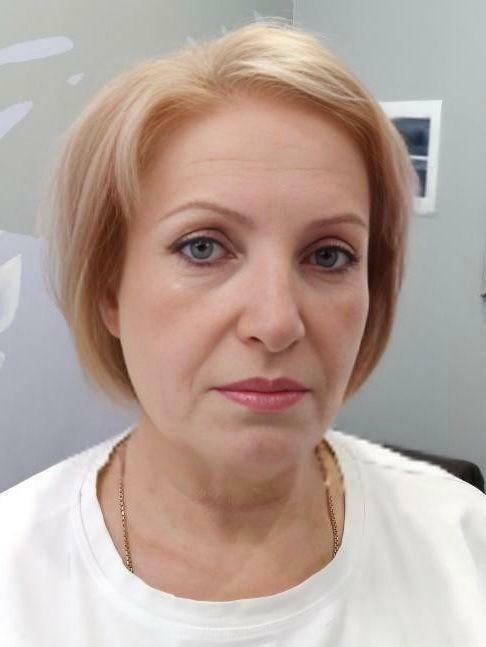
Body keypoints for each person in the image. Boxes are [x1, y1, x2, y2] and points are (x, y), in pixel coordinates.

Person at [1, 18, 485, 646]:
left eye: (329, 255)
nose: (276, 322)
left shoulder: (463, 544)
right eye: (203, 247)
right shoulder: (17, 577)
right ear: (107, 291)